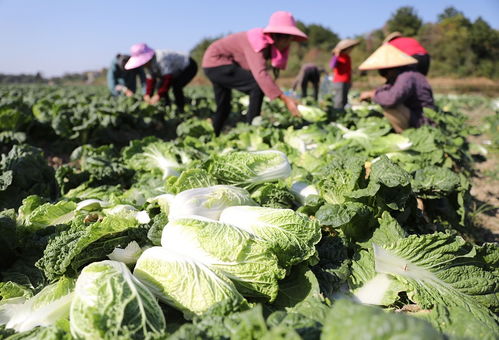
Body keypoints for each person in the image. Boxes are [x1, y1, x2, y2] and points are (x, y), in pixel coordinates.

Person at [202, 11, 307, 135]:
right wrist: (285, 99)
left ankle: (215, 135)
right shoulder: (257, 42)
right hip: (217, 63)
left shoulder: (268, 44)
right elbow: (260, 74)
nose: (289, 43)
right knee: (256, 86)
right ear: (279, 36)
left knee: (224, 106)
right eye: (288, 39)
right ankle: (252, 130)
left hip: (215, 65)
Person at [358, 44, 435, 133]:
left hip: (423, 120)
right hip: (416, 115)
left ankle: (406, 134)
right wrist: (374, 93)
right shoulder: (403, 75)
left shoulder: (406, 77)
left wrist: (374, 95)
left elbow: (391, 99)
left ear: (392, 70)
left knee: (390, 107)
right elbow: (388, 89)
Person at [125, 43, 198, 112]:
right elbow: (150, 80)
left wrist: (158, 95)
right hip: (173, 73)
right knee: (159, 86)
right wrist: (148, 94)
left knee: (176, 86)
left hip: (188, 66)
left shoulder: (161, 58)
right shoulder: (147, 65)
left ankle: (181, 109)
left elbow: (168, 79)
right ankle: (167, 106)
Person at [330, 39, 359, 110]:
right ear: (346, 49)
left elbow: (349, 70)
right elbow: (332, 66)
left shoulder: (348, 58)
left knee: (344, 100)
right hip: (339, 82)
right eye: (350, 49)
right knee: (339, 100)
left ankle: (343, 115)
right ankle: (337, 115)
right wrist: (336, 55)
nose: (351, 50)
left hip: (346, 81)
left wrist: (350, 81)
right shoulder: (338, 57)